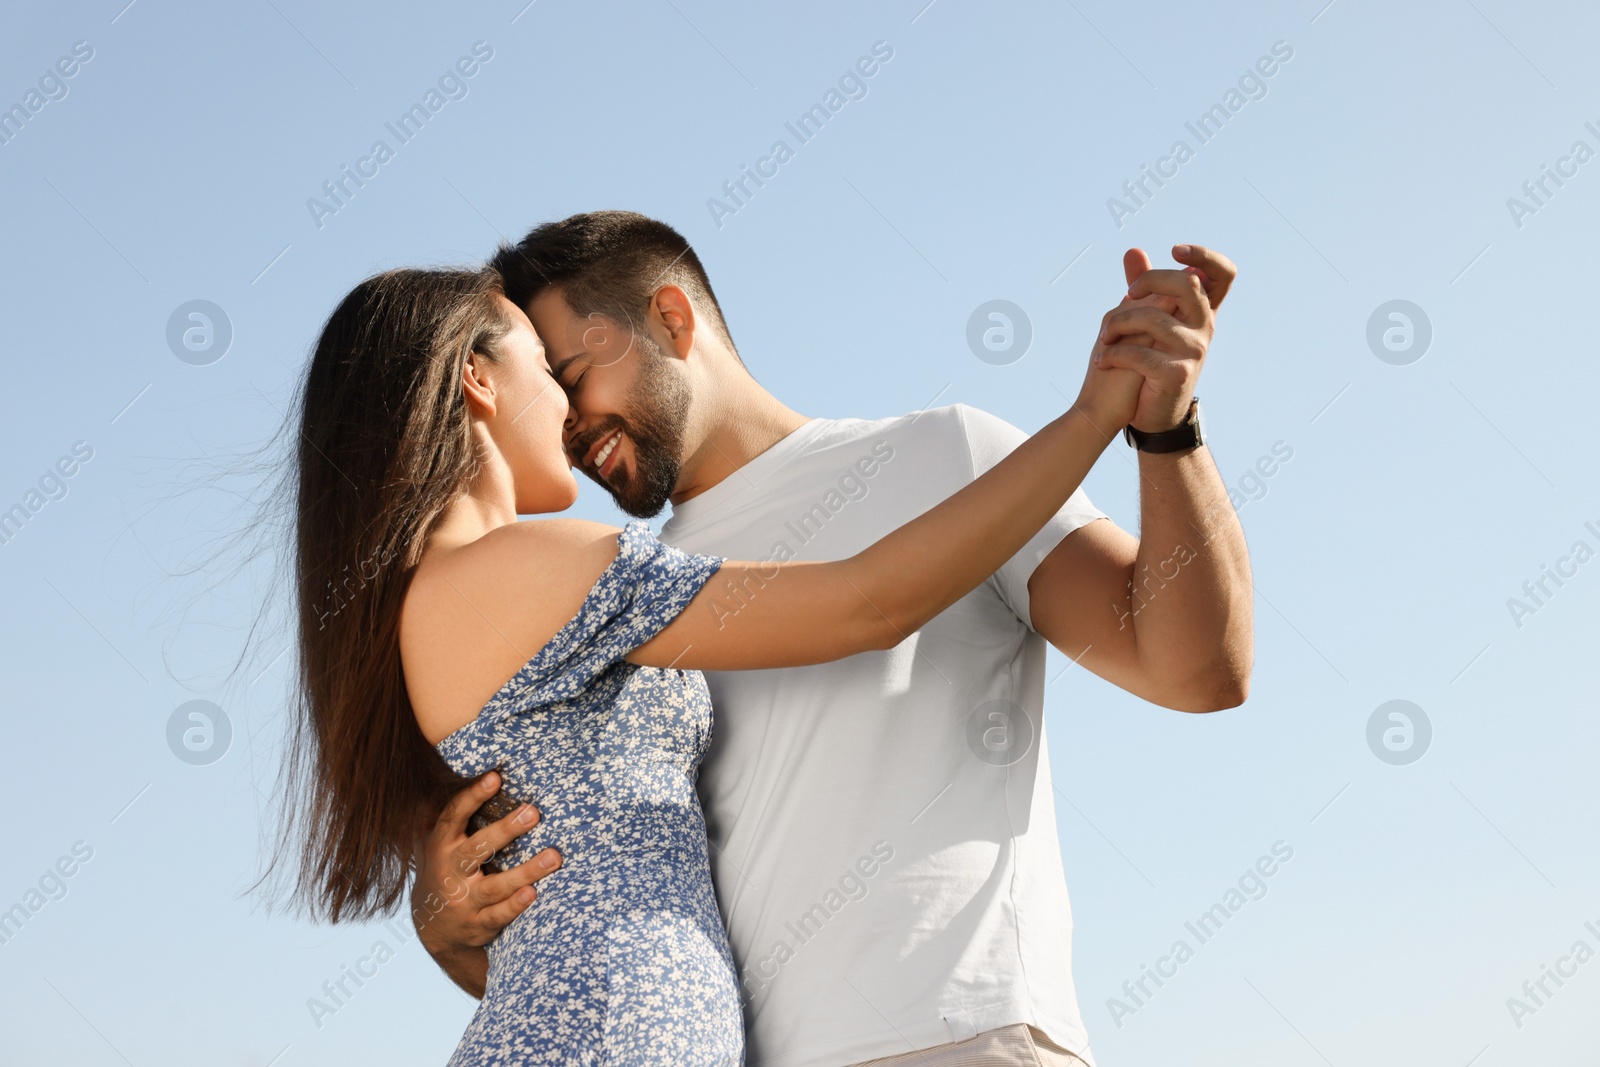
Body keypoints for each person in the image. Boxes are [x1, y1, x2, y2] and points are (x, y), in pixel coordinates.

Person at [280, 236, 1218, 1064]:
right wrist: (1093, 417)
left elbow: (1195, 669)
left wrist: (1160, 430)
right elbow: (869, 600)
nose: (566, 424)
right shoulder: (549, 569)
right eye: (547, 374)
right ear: (476, 382)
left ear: (670, 316)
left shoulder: (482, 590)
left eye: (569, 376)